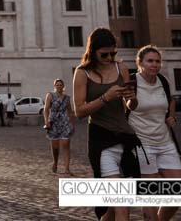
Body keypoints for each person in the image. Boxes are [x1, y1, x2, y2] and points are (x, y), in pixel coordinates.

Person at [72, 27, 139, 221]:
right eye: (104, 54)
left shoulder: (121, 68)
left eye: (113, 53)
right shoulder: (82, 73)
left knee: (114, 206)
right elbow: (79, 111)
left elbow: (131, 106)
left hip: (125, 138)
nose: (110, 58)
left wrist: (132, 98)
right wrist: (105, 97)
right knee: (121, 201)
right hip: (102, 141)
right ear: (93, 51)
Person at [127, 45, 181, 221]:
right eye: (150, 61)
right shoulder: (132, 82)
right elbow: (124, 109)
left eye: (158, 61)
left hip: (165, 142)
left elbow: (170, 100)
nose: (155, 64)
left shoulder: (163, 81)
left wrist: (171, 116)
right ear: (140, 63)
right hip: (142, 145)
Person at [44, 78, 75, 174]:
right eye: (57, 85)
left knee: (66, 144)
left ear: (63, 86)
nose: (59, 86)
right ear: (54, 86)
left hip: (65, 122)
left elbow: (70, 111)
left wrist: (72, 124)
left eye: (60, 85)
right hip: (53, 121)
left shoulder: (67, 98)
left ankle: (67, 168)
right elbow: (46, 109)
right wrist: (46, 121)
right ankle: (55, 162)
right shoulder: (50, 95)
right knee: (55, 146)